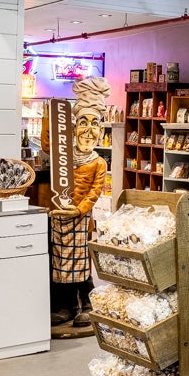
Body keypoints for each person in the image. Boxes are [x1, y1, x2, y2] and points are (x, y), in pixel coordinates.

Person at [48, 77, 111, 339]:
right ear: (73, 127)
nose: (88, 130)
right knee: (59, 263)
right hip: (58, 216)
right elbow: (46, 143)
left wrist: (78, 210)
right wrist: (49, 115)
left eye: (94, 124)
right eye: (82, 122)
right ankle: (66, 305)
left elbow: (95, 193)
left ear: (101, 130)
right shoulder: (63, 154)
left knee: (81, 262)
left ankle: (87, 302)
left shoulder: (98, 163)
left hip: (80, 219)